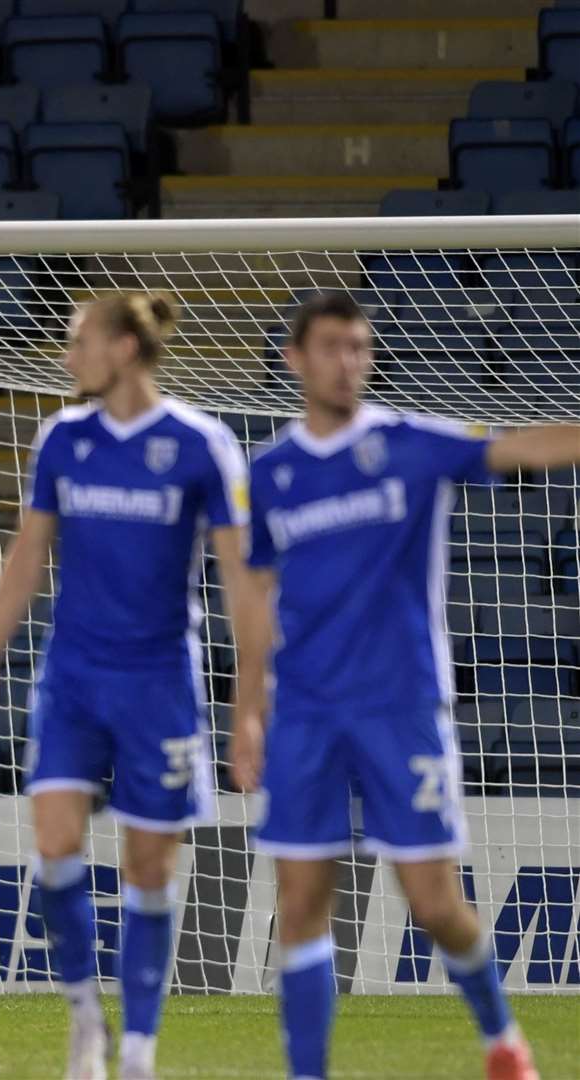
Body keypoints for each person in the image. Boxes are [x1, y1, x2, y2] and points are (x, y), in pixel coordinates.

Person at [229, 291, 570, 1080]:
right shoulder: (272, 473)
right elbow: (256, 600)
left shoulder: (411, 444)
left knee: (434, 903)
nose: (348, 362)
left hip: (401, 709)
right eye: (332, 347)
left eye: (359, 347)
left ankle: (501, 1038)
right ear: (296, 359)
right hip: (306, 715)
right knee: (303, 902)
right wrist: (249, 713)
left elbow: (517, 450)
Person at [0, 292, 252, 1080]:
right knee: (55, 842)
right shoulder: (62, 438)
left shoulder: (202, 444)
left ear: (124, 348)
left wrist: (249, 698)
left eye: (78, 341)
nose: (66, 356)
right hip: (74, 673)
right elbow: (29, 551)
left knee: (150, 869)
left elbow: (239, 576)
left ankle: (140, 1047)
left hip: (161, 680)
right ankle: (86, 1016)